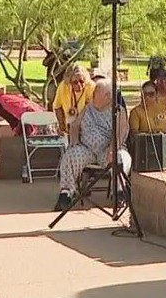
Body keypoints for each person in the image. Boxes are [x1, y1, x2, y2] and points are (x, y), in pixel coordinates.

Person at [53, 78, 130, 211]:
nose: (92, 94)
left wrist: (112, 149)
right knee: (70, 155)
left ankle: (118, 193)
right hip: (86, 149)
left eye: (96, 92)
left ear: (107, 96)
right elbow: (75, 125)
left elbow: (120, 133)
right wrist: (74, 141)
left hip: (107, 151)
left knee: (120, 158)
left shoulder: (118, 111)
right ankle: (66, 194)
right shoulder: (88, 107)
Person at [128, 80, 166, 167]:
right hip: (146, 143)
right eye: (145, 94)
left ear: (156, 95)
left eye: (151, 94)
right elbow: (134, 132)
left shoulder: (164, 109)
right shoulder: (136, 111)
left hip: (165, 142)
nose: (147, 97)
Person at [52, 64, 95, 138]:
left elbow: (93, 110)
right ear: (69, 82)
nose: (79, 85)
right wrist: (62, 126)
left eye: (81, 81)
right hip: (69, 127)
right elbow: (57, 107)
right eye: (75, 82)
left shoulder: (91, 87)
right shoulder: (63, 87)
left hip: (88, 128)